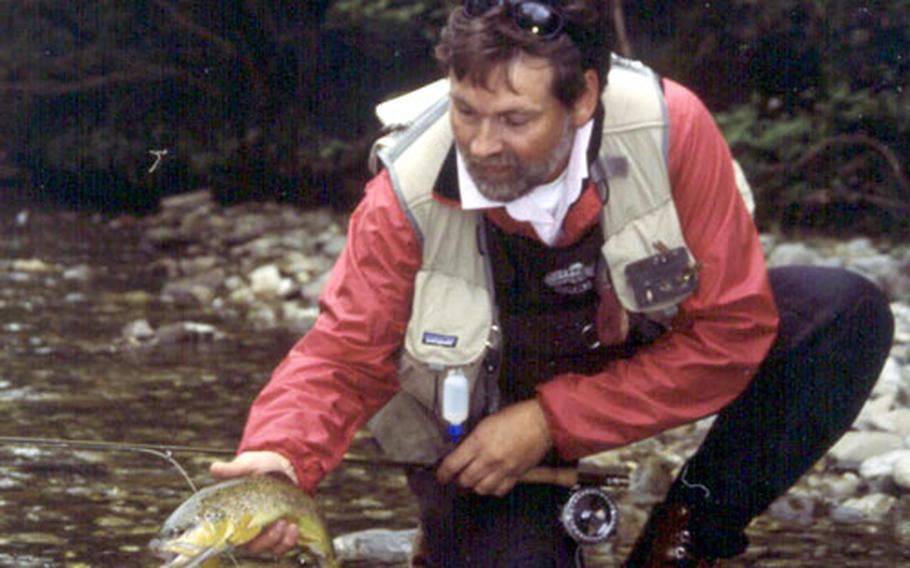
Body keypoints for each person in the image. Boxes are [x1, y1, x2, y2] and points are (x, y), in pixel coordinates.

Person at [210, 1, 895, 566]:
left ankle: (683, 538)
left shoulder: (669, 128)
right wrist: (281, 454)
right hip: (477, 421)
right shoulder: (405, 191)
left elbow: (732, 329)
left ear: (584, 99)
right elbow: (344, 353)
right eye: (466, 112)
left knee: (841, 312)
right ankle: (455, 535)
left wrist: (551, 420)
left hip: (616, 357)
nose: (480, 146)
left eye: (514, 120)